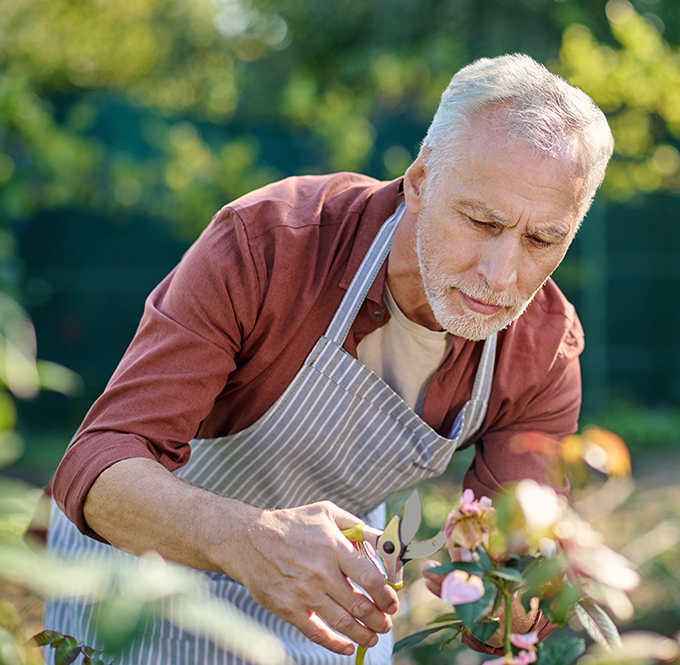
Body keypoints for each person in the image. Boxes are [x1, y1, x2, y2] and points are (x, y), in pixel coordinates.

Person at [43, 53, 614, 664]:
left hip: (331, 599)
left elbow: (514, 561)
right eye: (480, 221)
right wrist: (248, 540)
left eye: (541, 240)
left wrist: (511, 594)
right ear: (420, 182)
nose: (500, 275)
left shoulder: (543, 350)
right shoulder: (268, 244)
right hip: (142, 571)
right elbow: (97, 468)